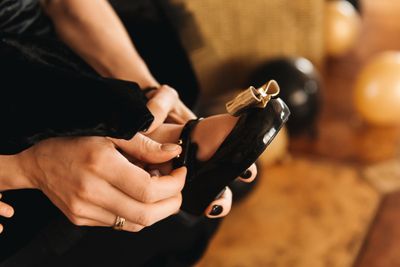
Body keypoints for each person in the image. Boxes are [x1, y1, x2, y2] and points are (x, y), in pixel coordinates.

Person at [0, 0, 258, 266]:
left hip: (46, 69)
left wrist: (147, 99)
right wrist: (26, 165)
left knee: (181, 222)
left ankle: (157, 136)